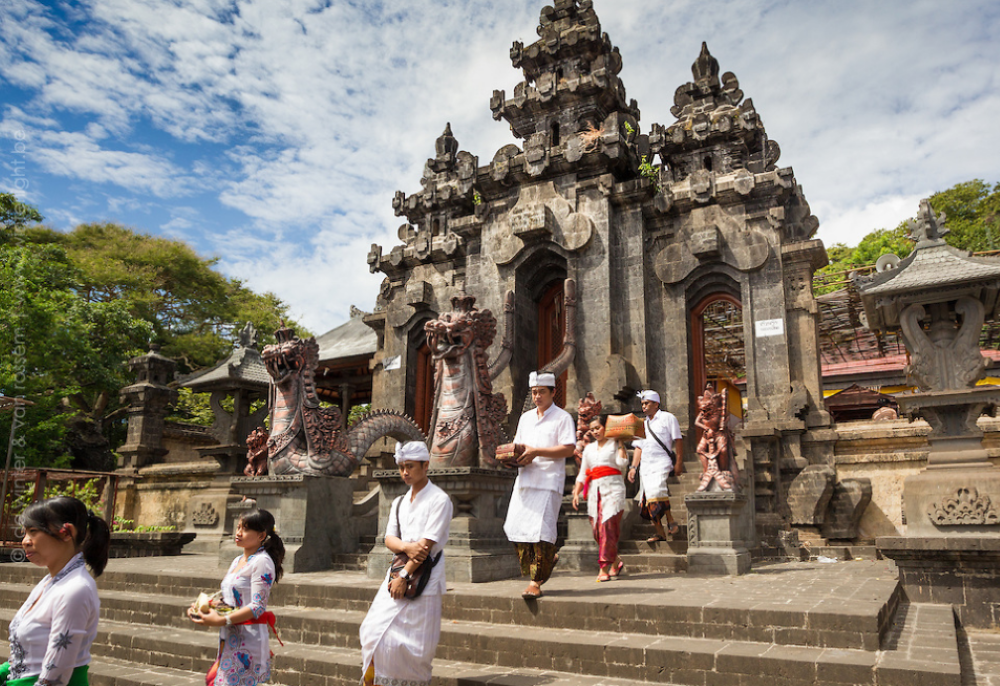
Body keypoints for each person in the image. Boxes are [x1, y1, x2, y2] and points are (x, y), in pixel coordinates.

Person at [359, 441, 453, 686]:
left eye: (410, 466)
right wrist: (405, 548)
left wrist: (405, 576)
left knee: (414, 645)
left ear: (425, 465)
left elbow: (426, 546)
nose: (405, 472)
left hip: (424, 578)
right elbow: (390, 539)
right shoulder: (399, 501)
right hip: (397, 571)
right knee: (372, 631)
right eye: (401, 467)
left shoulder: (439, 500)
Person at [3, 496, 111, 686]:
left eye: (33, 531)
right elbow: (26, 656)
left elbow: (54, 679)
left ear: (66, 532)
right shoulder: (49, 582)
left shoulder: (75, 589)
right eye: (25, 533)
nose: (25, 541)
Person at [188, 509, 285, 686]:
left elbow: (257, 606)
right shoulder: (238, 560)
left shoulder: (262, 562)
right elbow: (231, 600)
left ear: (261, 535)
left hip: (249, 641)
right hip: (230, 636)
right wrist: (208, 606)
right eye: (238, 527)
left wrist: (222, 620)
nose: (238, 533)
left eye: (246, 529)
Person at [503, 371, 577, 599]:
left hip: (547, 481)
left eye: (541, 392)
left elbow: (568, 448)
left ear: (553, 392)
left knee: (541, 532)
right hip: (525, 480)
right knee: (514, 527)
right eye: (534, 392)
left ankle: (535, 582)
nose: (537, 397)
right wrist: (510, 456)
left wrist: (537, 452)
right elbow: (518, 444)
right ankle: (547, 561)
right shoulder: (525, 418)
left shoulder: (562, 417)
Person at [571, 414, 628, 582]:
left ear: (606, 427)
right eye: (592, 429)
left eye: (598, 427)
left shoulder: (614, 444)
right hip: (594, 491)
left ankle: (603, 567)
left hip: (614, 489)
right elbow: (583, 473)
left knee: (607, 527)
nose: (595, 431)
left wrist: (621, 444)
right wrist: (576, 492)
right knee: (597, 531)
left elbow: (622, 463)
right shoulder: (588, 449)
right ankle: (615, 561)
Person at [628, 389, 684, 544]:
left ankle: (671, 519)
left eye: (647, 403)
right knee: (647, 501)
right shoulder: (641, 424)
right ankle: (661, 533)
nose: (644, 407)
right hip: (645, 466)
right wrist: (633, 467)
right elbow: (638, 447)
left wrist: (679, 462)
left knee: (656, 491)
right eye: (642, 404)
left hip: (661, 462)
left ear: (656, 403)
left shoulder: (668, 418)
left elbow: (678, 440)